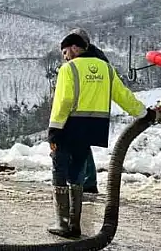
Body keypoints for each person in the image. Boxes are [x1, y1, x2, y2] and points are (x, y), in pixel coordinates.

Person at [47, 31, 153, 239]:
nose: (65, 56)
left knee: (59, 169)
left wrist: (53, 131)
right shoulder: (105, 68)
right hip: (93, 129)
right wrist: (144, 113)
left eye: (65, 51)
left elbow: (63, 102)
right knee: (77, 171)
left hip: (69, 126)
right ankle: (74, 224)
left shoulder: (69, 69)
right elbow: (123, 96)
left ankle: (64, 223)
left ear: (75, 48)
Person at [66, 27, 111, 195]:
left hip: (84, 107)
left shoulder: (90, 60)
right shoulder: (97, 57)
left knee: (79, 146)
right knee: (81, 146)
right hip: (93, 108)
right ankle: (85, 182)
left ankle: (85, 183)